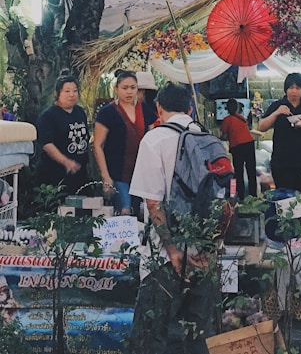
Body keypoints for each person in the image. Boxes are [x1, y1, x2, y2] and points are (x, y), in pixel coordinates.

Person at [128, 82, 218, 354]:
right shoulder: (207, 137)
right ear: (190, 107)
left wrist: (173, 250)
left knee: (151, 335)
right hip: (203, 253)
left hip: (163, 258)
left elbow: (153, 202)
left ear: (158, 107)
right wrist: (208, 249)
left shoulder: (154, 139)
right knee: (199, 335)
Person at [93, 69, 157, 215]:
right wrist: (105, 176)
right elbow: (97, 145)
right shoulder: (107, 113)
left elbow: (153, 139)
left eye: (133, 88)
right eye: (125, 88)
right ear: (116, 89)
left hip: (140, 172)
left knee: (141, 212)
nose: (129, 92)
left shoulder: (145, 109)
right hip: (117, 172)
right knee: (124, 210)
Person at [258, 72, 301, 193]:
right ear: (286, 89)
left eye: (298, 88)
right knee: (283, 198)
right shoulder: (277, 105)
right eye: (291, 88)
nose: (294, 91)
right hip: (281, 162)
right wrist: (277, 113)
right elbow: (261, 127)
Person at [34, 73, 90, 194]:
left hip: (79, 173)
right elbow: (47, 144)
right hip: (55, 173)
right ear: (57, 93)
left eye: (75, 91)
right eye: (67, 91)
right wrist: (66, 162)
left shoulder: (80, 112)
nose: (72, 94)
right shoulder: (48, 116)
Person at [220, 98, 257, 200]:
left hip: (237, 147)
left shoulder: (226, 120)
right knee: (251, 171)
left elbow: (224, 136)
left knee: (238, 172)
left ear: (227, 109)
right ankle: (253, 196)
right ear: (237, 108)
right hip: (249, 144)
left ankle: (240, 197)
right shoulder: (241, 117)